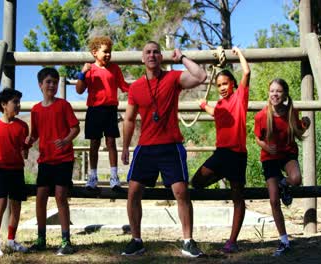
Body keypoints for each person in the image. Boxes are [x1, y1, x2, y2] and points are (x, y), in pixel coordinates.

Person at [121, 41, 207, 257]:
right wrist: (125, 148)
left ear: (162, 57)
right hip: (145, 147)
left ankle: (188, 241)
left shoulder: (173, 78)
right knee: (132, 193)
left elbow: (200, 76)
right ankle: (136, 240)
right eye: (148, 52)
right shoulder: (136, 87)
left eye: (156, 52)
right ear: (143, 58)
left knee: (181, 192)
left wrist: (182, 58)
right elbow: (129, 119)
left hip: (171, 146)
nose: (152, 55)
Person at [191, 47, 251, 254]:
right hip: (221, 154)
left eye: (225, 84)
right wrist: (203, 106)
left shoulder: (240, 97)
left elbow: (247, 73)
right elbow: (217, 113)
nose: (222, 88)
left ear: (232, 84)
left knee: (237, 197)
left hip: (237, 155)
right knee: (196, 182)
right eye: (219, 85)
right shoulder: (220, 104)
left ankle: (232, 240)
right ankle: (222, 174)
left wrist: (239, 53)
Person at [26, 67, 80, 255]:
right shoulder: (35, 110)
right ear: (40, 85)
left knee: (60, 196)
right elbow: (34, 135)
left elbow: (75, 128)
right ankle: (41, 239)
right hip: (45, 161)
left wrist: (66, 140)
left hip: (64, 159)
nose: (52, 85)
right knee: (40, 198)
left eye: (55, 82)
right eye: (48, 82)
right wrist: (26, 142)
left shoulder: (63, 105)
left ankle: (66, 241)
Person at [254, 78, 310, 256]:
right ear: (268, 93)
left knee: (296, 179)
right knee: (273, 199)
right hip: (269, 158)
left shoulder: (291, 112)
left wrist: (305, 124)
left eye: (278, 91)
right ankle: (284, 240)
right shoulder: (261, 116)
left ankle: (283, 184)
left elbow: (298, 131)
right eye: (272, 91)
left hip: (287, 155)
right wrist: (265, 146)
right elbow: (258, 138)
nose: (274, 94)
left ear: (284, 94)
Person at [76, 36, 129, 191]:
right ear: (94, 52)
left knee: (111, 142)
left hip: (111, 110)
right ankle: (92, 177)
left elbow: (124, 86)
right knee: (94, 144)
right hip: (94, 110)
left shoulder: (115, 69)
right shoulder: (90, 69)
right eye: (105, 52)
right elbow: (79, 90)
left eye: (110, 52)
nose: (108, 55)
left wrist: (141, 88)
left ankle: (114, 177)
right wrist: (82, 73)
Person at [0, 88, 30, 258]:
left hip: (17, 170)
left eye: (19, 102)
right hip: (0, 170)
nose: (18, 105)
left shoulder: (23, 126)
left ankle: (11, 240)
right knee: (1, 205)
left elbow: (24, 152)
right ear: (3, 105)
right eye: (15, 102)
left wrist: (27, 148)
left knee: (16, 206)